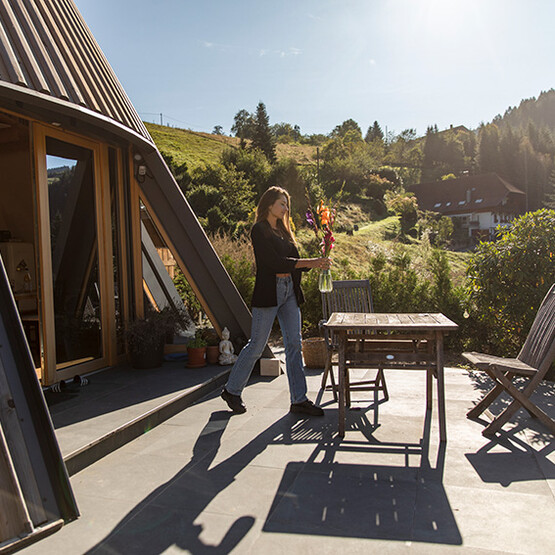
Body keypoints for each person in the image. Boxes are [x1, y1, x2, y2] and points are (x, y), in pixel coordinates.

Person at [221, 186, 332, 416]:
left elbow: (295, 262)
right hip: (269, 292)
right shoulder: (259, 230)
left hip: (289, 291)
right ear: (269, 204)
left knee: (293, 344)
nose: (285, 208)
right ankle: (232, 390)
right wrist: (311, 262)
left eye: (286, 204)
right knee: (257, 345)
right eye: (282, 203)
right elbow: (274, 262)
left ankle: (299, 400)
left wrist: (318, 263)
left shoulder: (284, 231)